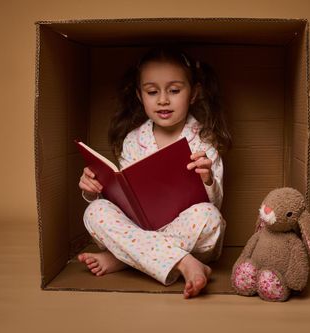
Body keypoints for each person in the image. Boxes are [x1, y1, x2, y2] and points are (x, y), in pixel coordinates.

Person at [77, 46, 232, 298]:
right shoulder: (132, 140)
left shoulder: (204, 140)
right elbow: (122, 197)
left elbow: (215, 204)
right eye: (152, 91)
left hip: (187, 233)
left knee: (210, 218)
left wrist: (208, 178)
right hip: (138, 226)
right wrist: (93, 189)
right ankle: (184, 262)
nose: (163, 100)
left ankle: (126, 259)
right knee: (94, 212)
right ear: (140, 96)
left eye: (174, 90)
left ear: (194, 94)